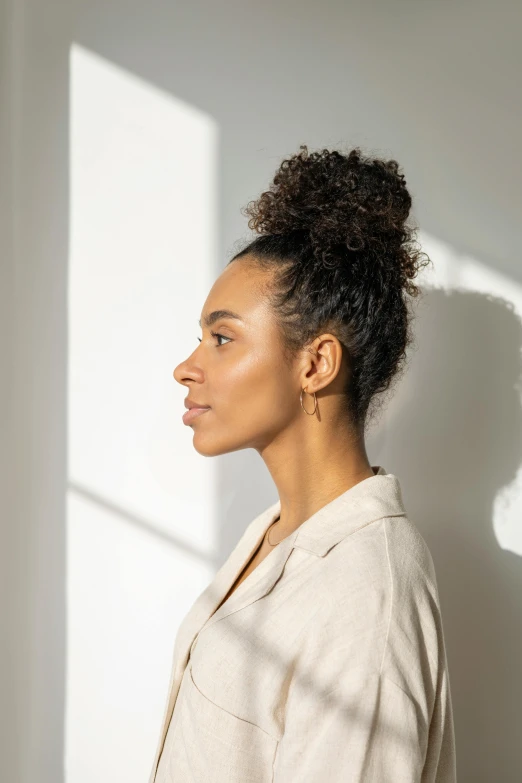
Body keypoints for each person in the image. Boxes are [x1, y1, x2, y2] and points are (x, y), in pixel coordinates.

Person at [149, 145, 457, 782]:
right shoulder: (278, 535)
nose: (187, 366)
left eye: (222, 337)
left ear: (315, 364)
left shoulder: (368, 592)